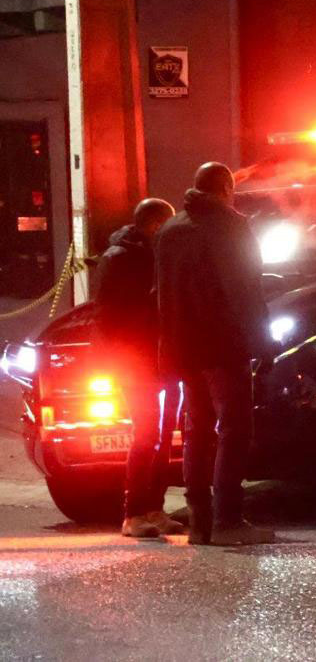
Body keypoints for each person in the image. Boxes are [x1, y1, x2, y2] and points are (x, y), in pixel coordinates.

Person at [155, 162, 274, 546]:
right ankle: (228, 520)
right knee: (234, 430)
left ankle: (200, 521)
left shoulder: (170, 230)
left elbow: (162, 295)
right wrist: (263, 343)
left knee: (197, 431)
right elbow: (246, 290)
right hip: (224, 346)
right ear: (225, 188)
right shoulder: (231, 227)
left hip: (185, 348)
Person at [95, 198, 182, 538]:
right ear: (156, 225)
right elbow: (113, 316)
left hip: (159, 357)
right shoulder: (122, 259)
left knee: (162, 434)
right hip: (137, 360)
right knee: (146, 434)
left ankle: (153, 509)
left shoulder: (148, 254)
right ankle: (133, 514)